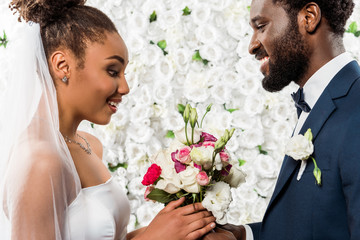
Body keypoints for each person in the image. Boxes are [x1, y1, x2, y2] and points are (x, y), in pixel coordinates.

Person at [0, 0, 216, 239]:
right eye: (112, 71)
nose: (125, 87)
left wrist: (176, 225)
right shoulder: (39, 161)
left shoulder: (89, 145)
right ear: (62, 65)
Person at [204, 0, 360, 239]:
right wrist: (243, 235)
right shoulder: (317, 101)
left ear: (308, 17)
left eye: (261, 26)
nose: (252, 45)